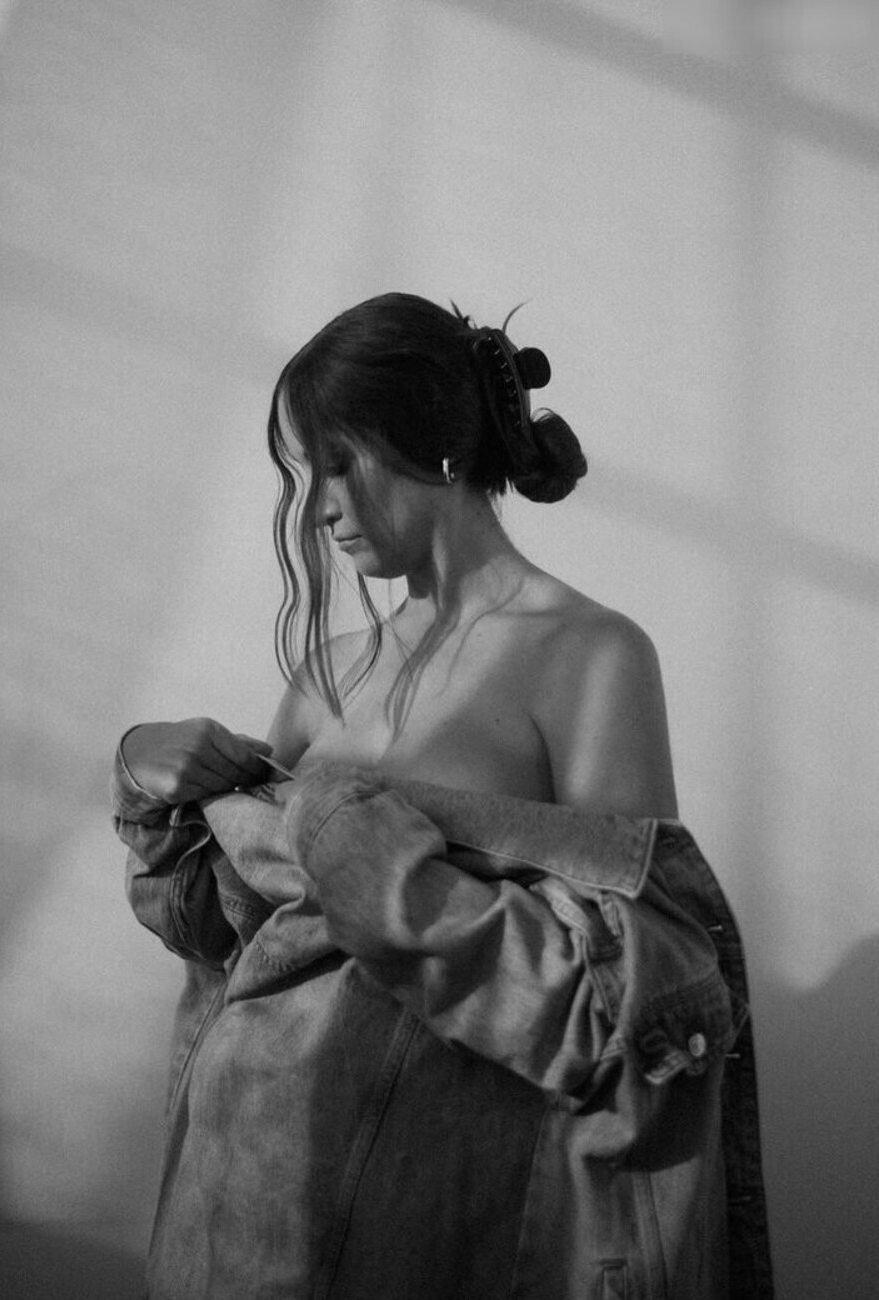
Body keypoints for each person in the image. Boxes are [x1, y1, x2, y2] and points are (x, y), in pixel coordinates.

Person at [111, 294, 772, 1299]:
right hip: (243, 1202)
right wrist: (146, 775)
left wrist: (374, 866)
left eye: (342, 462)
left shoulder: (588, 654)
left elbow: (627, 997)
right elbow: (228, 935)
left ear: (438, 445)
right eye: (306, 473)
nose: (320, 507)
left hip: (441, 1222)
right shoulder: (328, 671)